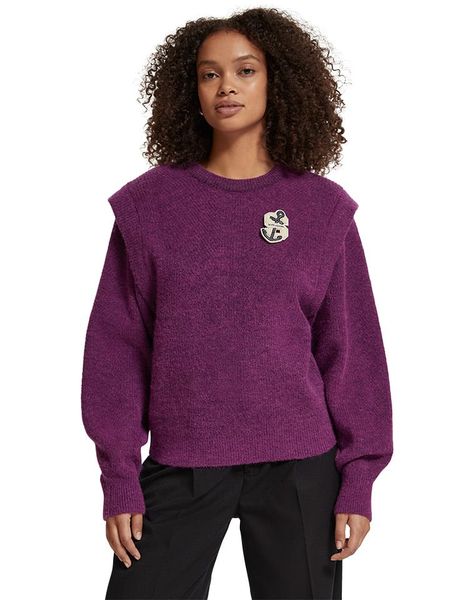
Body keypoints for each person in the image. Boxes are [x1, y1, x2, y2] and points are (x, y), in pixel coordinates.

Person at [81, 7, 394, 599]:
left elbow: (352, 352)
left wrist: (359, 477)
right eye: (209, 74)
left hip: (301, 466)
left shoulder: (322, 209)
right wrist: (119, 474)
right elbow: (117, 350)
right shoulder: (148, 207)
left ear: (278, 82)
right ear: (191, 91)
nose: (226, 86)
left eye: (245, 71)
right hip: (183, 459)